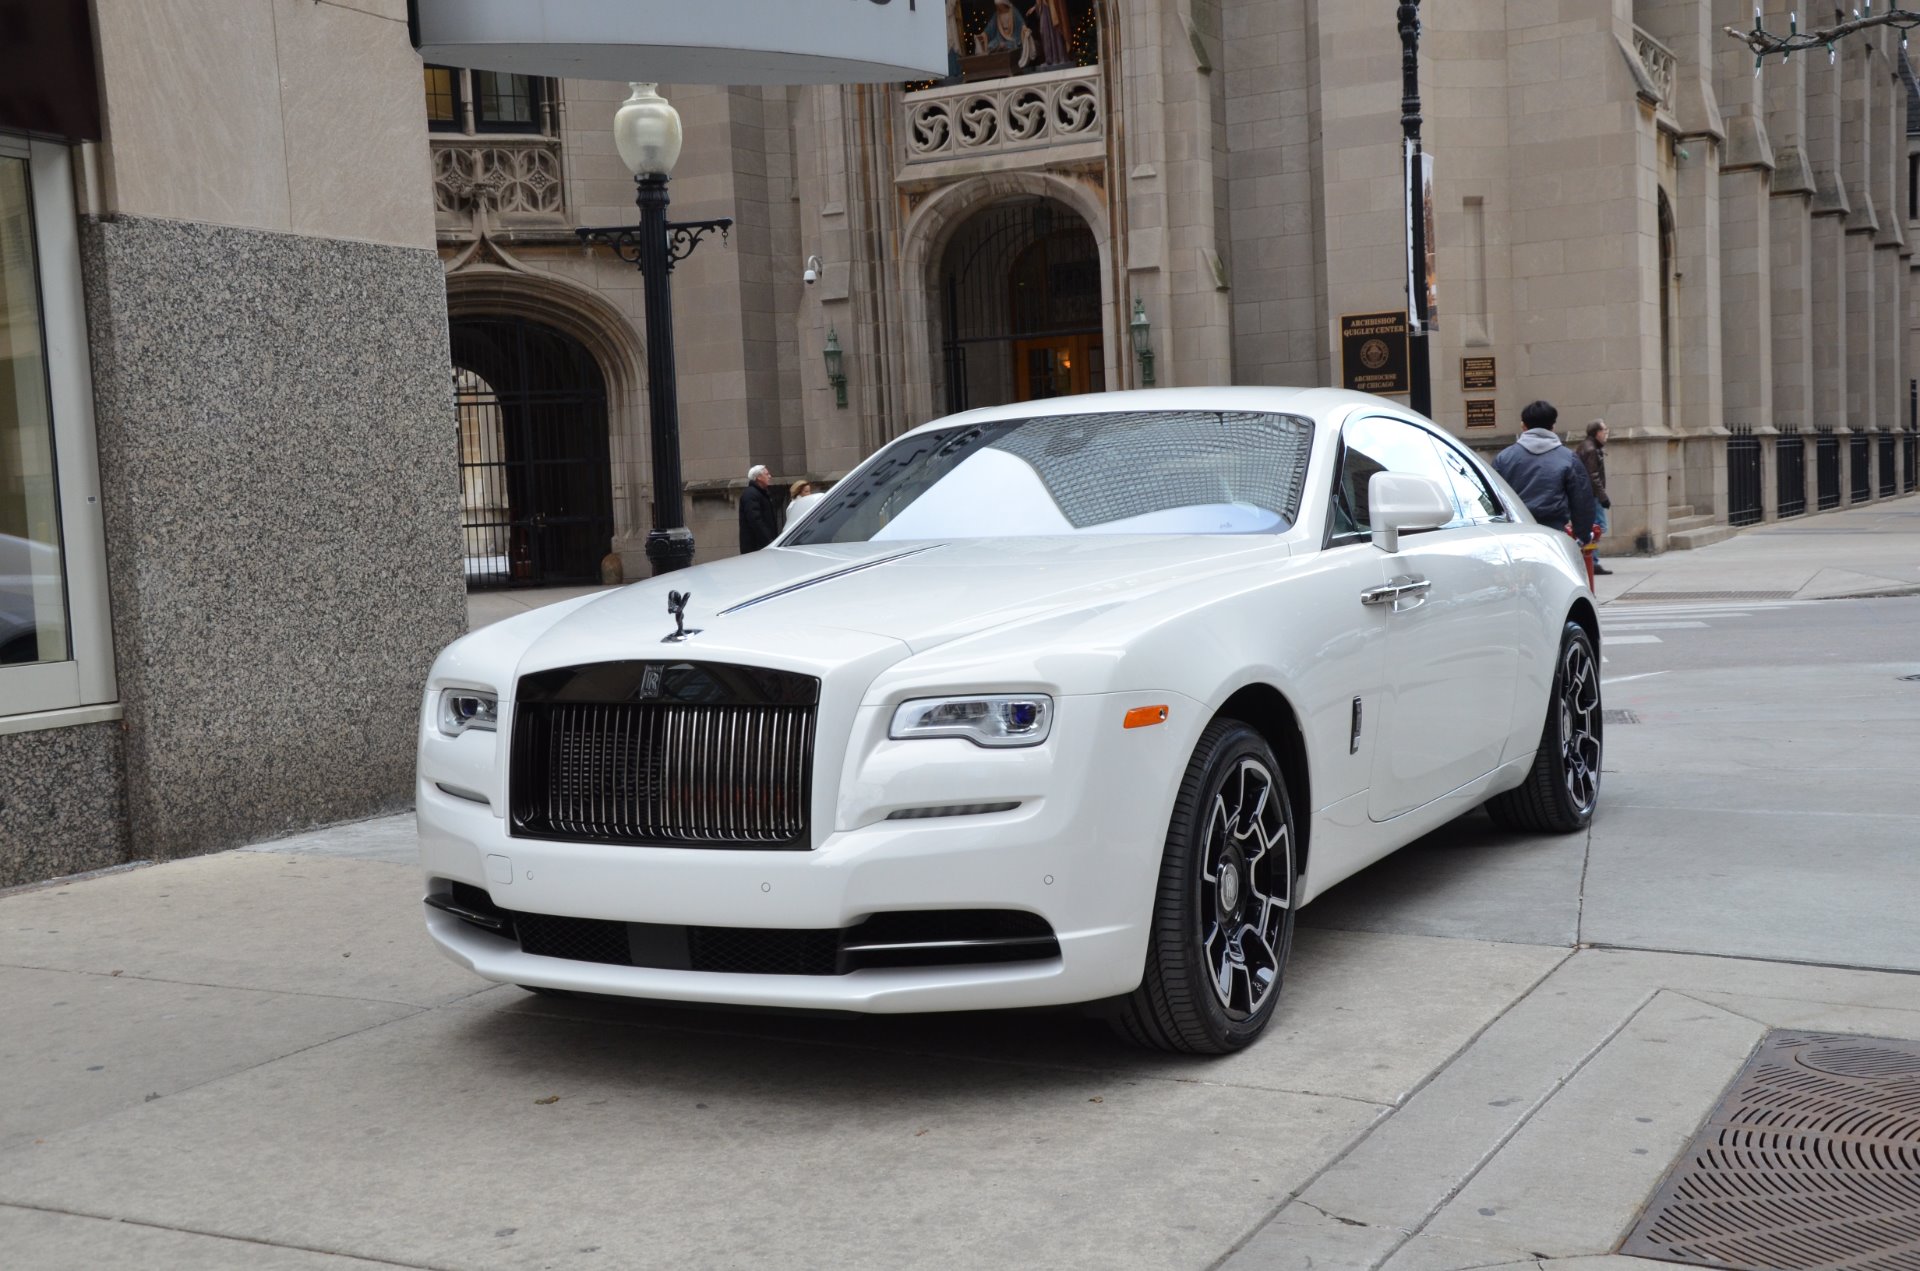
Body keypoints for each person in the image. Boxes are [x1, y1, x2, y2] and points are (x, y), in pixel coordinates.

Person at [1493, 400, 1599, 551]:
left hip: (1515, 534)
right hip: (1553, 534)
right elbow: (1582, 501)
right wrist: (1582, 535)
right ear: (1553, 426)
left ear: (1523, 425)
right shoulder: (1568, 458)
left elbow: (1491, 499)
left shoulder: (1504, 458)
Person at [1576, 420, 1613, 575]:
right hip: (1591, 495)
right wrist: (1603, 497)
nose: (1606, 433)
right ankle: (1591, 559)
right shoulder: (1591, 449)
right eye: (1604, 430)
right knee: (1598, 527)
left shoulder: (1589, 447)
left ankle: (1590, 558)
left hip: (1588, 494)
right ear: (1597, 432)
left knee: (1593, 527)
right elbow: (1593, 476)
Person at [738, 464, 780, 553]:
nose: (770, 476)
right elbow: (755, 520)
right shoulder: (750, 494)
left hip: (763, 545)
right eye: (767, 474)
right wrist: (769, 540)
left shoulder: (761, 493)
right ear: (759, 477)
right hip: (756, 547)